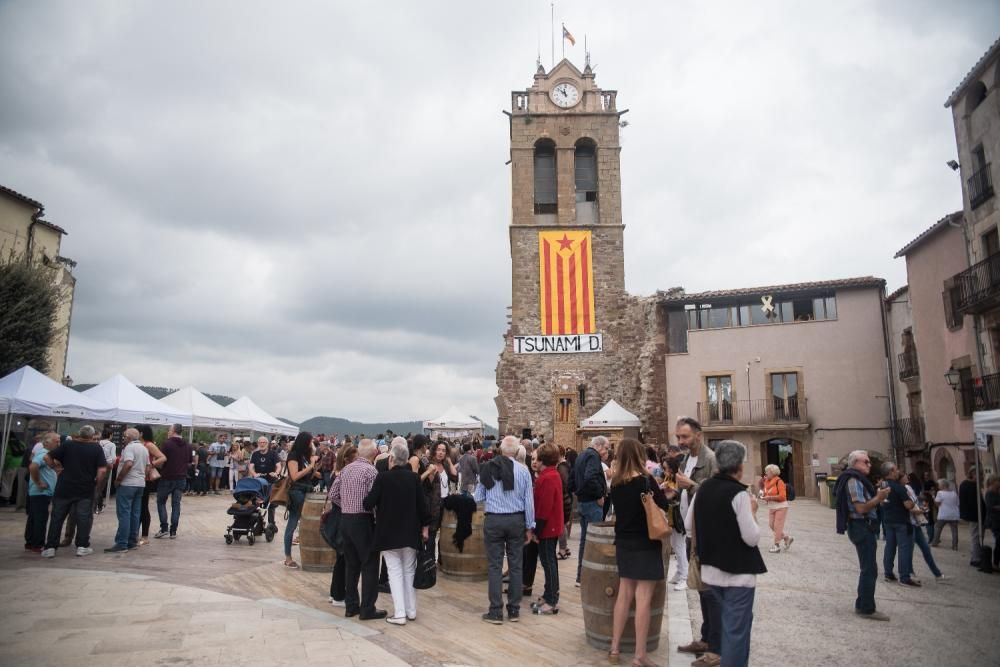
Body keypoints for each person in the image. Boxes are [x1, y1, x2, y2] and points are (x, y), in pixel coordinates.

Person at [687, 440, 765, 667]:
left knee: (728, 624)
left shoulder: (703, 489)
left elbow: (689, 525)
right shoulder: (738, 494)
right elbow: (751, 537)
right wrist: (752, 512)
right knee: (737, 633)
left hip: (711, 571)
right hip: (737, 574)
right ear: (739, 466)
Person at [603, 438, 668, 666]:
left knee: (624, 595)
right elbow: (664, 505)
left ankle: (614, 648)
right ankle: (640, 655)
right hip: (646, 542)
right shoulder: (645, 481)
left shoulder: (616, 484)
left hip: (624, 541)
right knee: (643, 599)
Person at [363, 437, 430, 626]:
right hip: (410, 531)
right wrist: (425, 526)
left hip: (388, 532)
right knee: (409, 570)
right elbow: (423, 507)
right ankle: (411, 610)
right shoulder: (414, 478)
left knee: (394, 571)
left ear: (391, 459)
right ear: (407, 460)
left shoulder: (383, 478)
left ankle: (400, 613)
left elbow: (369, 503)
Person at [474, 435, 535, 625]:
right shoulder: (524, 471)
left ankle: (495, 611)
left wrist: (494, 495)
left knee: (494, 566)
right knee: (516, 565)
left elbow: (477, 497)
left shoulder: (488, 468)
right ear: (517, 451)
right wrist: (530, 525)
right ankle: (514, 610)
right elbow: (529, 501)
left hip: (494, 519)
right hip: (516, 519)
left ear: (500, 449)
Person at [675, 417, 722, 660]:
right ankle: (705, 639)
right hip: (691, 531)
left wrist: (690, 484)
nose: (681, 441)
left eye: (684, 436)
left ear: (698, 435)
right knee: (702, 590)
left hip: (706, 532)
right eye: (678, 437)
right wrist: (675, 490)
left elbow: (716, 494)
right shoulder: (686, 458)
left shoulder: (711, 459)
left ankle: (715, 647)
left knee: (711, 590)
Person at [833, 450, 892, 621]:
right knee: (869, 569)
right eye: (866, 462)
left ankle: (862, 603)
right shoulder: (853, 480)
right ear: (855, 463)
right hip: (861, 526)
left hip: (863, 526)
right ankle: (866, 608)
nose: (869, 464)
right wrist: (879, 498)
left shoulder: (858, 480)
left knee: (868, 567)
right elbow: (860, 508)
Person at [330, 439, 385, 620]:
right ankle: (367, 608)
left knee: (351, 565)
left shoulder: (346, 469)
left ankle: (351, 606)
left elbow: (333, 494)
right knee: (369, 564)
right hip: (363, 519)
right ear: (374, 453)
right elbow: (374, 499)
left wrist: (345, 505)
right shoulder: (371, 471)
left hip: (346, 519)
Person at [41, 425, 109, 558]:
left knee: (57, 517)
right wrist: (97, 482)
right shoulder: (96, 448)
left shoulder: (68, 445)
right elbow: (102, 470)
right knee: (83, 518)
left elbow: (47, 457)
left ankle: (50, 547)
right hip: (85, 488)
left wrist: (56, 469)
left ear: (79, 434)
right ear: (92, 435)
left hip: (64, 487)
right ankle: (82, 546)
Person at [530, 443, 564, 615]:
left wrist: (536, 530)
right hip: (550, 526)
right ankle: (548, 593)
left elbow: (544, 507)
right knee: (548, 561)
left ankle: (552, 599)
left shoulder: (547, 477)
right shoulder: (551, 474)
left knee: (548, 562)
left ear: (542, 459)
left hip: (548, 527)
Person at [105, 428, 149, 552]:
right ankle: (132, 541)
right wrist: (141, 477)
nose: (123, 438)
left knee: (124, 513)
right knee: (135, 514)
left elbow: (128, 464)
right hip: (140, 484)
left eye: (124, 436)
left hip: (127, 484)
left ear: (129, 437)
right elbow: (148, 466)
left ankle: (121, 543)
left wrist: (119, 479)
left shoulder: (129, 448)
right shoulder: (144, 448)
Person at [573, 435, 610, 585]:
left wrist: (577, 492)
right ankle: (591, 577)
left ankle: (581, 576)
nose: (606, 452)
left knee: (584, 540)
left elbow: (572, 478)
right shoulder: (593, 456)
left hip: (583, 502)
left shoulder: (581, 455)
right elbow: (590, 477)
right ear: (599, 446)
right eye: (606, 448)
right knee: (595, 540)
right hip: (592, 503)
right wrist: (599, 495)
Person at [283, 432, 320, 568]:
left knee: (306, 523)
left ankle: (308, 554)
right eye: (310, 442)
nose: (312, 444)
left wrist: (315, 469)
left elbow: (309, 475)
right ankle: (288, 557)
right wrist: (310, 466)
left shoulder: (305, 456)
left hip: (307, 491)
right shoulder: (294, 456)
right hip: (297, 492)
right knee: (292, 523)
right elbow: (294, 476)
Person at [902, 474, 947, 583]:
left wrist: (920, 507)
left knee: (926, 548)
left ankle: (937, 574)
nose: (906, 477)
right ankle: (910, 572)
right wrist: (918, 510)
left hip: (916, 522)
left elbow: (915, 501)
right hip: (908, 522)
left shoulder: (908, 487)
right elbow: (906, 506)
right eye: (904, 476)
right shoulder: (900, 489)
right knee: (909, 550)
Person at [881, 462, 921, 587]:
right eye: (896, 469)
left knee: (890, 546)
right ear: (891, 471)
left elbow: (881, 502)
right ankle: (904, 577)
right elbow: (908, 505)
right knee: (904, 548)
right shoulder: (899, 487)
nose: (898, 472)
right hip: (901, 521)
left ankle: (888, 573)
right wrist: (914, 503)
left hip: (888, 520)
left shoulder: (883, 486)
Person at [328, 443, 358, 607]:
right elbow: (333, 495)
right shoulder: (342, 473)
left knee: (341, 558)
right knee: (344, 558)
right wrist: (346, 504)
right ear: (347, 459)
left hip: (339, 516)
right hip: (342, 517)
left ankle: (335, 593)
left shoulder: (337, 472)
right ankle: (339, 595)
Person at [421, 440, 457, 562]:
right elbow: (427, 487)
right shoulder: (429, 465)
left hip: (445, 503)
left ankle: (441, 560)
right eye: (439, 450)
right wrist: (431, 472)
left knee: (444, 532)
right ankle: (430, 562)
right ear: (434, 450)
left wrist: (449, 461)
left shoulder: (445, 465)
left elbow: (455, 476)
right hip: (433, 505)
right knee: (432, 533)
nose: (441, 453)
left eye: (443, 450)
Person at [155, 423, 192, 539]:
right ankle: (173, 531)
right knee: (176, 504)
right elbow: (189, 461)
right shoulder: (188, 445)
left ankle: (164, 527)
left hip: (167, 477)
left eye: (169, 430)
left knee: (161, 502)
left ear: (174, 431)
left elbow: (160, 460)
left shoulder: (167, 444)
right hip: (181, 478)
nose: (168, 432)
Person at [25, 432, 60, 552]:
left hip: (39, 492)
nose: (58, 444)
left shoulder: (45, 454)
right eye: (57, 441)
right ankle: (37, 543)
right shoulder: (44, 454)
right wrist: (39, 482)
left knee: (33, 518)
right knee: (40, 518)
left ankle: (30, 541)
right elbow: (33, 467)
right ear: (47, 442)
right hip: (41, 492)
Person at [137, 425, 166, 546]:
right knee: (137, 507)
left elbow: (163, 457)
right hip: (137, 479)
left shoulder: (148, 445)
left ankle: (144, 536)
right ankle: (135, 533)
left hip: (145, 479)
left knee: (143, 507)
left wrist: (150, 464)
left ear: (141, 433)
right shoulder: (138, 445)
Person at [249, 435, 281, 530]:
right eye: (260, 442)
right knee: (256, 503)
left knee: (271, 504)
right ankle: (257, 522)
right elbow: (251, 466)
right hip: (259, 482)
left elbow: (278, 466)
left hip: (271, 481)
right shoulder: (255, 454)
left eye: (264, 442)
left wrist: (276, 473)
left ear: (267, 444)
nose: (262, 444)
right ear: (258, 444)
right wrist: (254, 474)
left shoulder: (273, 454)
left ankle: (272, 524)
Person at [760, 464, 794, 553]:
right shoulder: (767, 481)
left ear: (773, 472)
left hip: (781, 506)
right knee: (771, 525)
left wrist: (769, 498)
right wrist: (763, 495)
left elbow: (782, 496)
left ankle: (776, 545)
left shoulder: (779, 482)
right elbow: (766, 492)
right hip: (772, 507)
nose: (766, 473)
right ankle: (787, 538)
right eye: (766, 471)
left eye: (767, 471)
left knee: (777, 526)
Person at [958, 467, 986, 567]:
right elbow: (974, 503)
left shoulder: (965, 484)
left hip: (973, 515)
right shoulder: (971, 485)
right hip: (975, 515)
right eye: (980, 474)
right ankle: (975, 558)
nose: (982, 476)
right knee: (976, 536)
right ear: (973, 474)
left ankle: (976, 554)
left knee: (976, 536)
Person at [556, 447, 574, 560]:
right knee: (563, 523)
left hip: (564, 498)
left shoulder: (562, 467)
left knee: (561, 524)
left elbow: (565, 483)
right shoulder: (565, 465)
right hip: (567, 498)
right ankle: (565, 547)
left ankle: (562, 550)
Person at [932, 479, 960, 549]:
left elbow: (937, 504)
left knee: (938, 528)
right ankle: (955, 545)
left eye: (939, 485)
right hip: (954, 514)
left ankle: (935, 542)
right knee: (954, 530)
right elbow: (957, 503)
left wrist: (933, 497)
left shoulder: (940, 493)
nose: (938, 486)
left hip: (943, 514)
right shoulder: (954, 493)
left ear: (942, 485)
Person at [94, 426, 116, 514]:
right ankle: (95, 507)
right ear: (110, 435)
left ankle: (99, 505)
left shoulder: (97, 442)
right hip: (106, 467)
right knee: (100, 488)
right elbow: (113, 458)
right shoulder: (111, 444)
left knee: (96, 486)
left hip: (95, 467)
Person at [984, 475, 1000, 571]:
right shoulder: (990, 493)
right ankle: (995, 563)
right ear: (993, 482)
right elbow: (990, 506)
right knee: (999, 541)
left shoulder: (997, 492)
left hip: (998, 520)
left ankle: (996, 563)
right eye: (998, 481)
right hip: (994, 521)